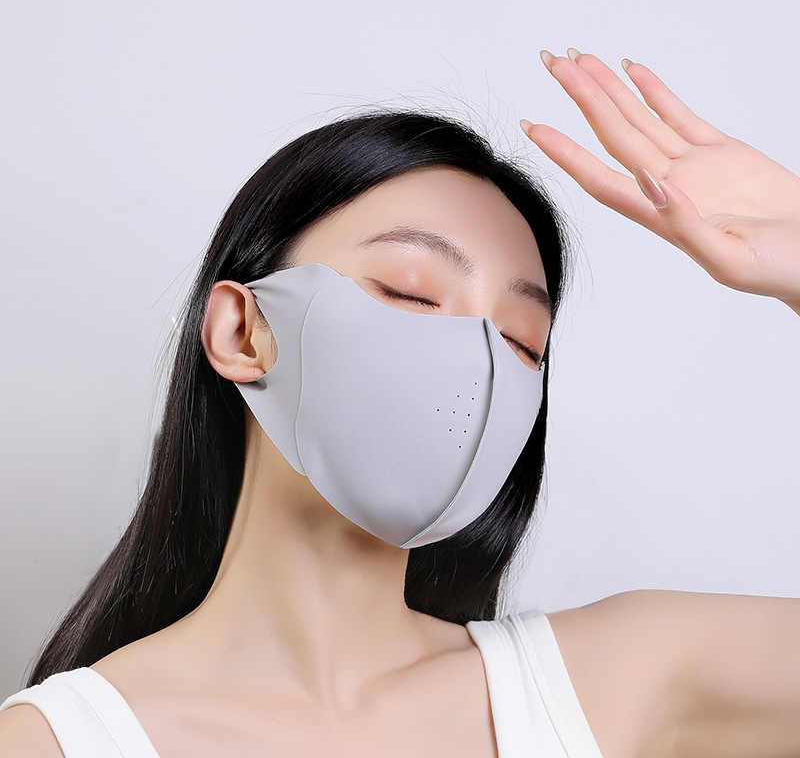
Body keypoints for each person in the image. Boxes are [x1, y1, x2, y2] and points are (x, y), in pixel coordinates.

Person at [0, 49, 798, 758]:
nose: (479, 365)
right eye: (411, 293)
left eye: (522, 342)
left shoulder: (619, 681)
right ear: (242, 333)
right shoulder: (54, 741)